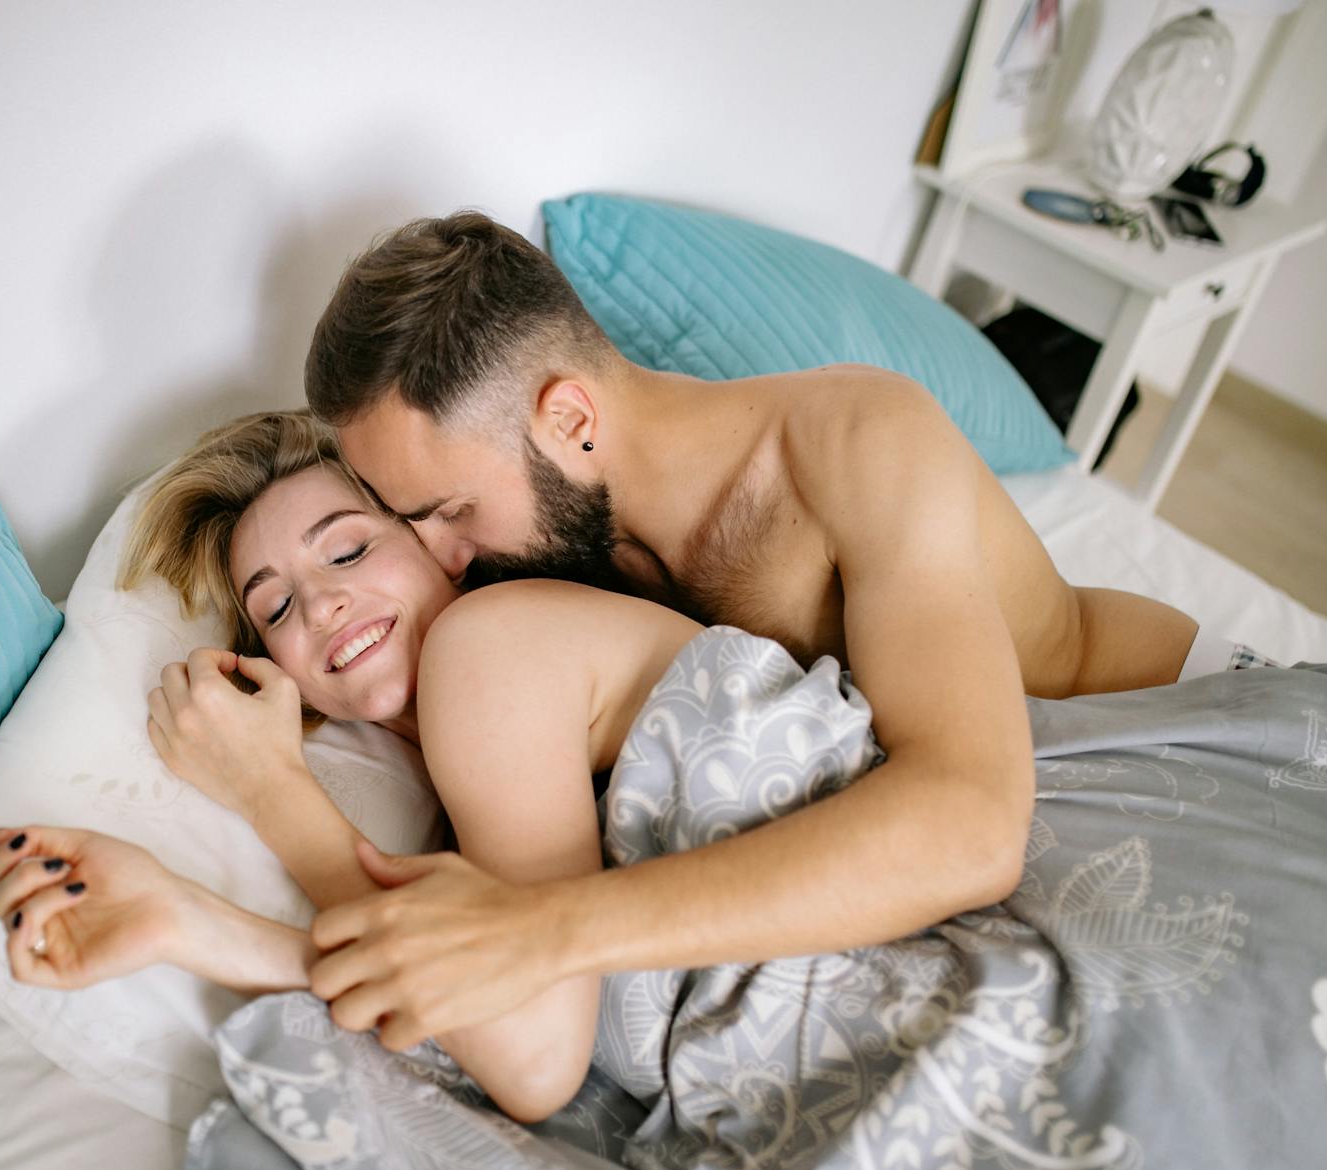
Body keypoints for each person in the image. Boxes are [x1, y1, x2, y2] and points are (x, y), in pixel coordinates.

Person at [281, 210, 1264, 1051]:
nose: (444, 556)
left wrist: (547, 928)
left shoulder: (859, 442)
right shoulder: (538, 536)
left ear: (568, 417)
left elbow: (967, 823)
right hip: (995, 793)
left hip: (1146, 718)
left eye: (447, 510)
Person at [0, 407, 1022, 1122]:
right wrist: (186, 919)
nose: (324, 603)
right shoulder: (464, 807)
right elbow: (488, 997)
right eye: (277, 604)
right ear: (272, 666)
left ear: (440, 544)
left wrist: (268, 789)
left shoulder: (492, 647)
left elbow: (531, 1058)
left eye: (345, 550)